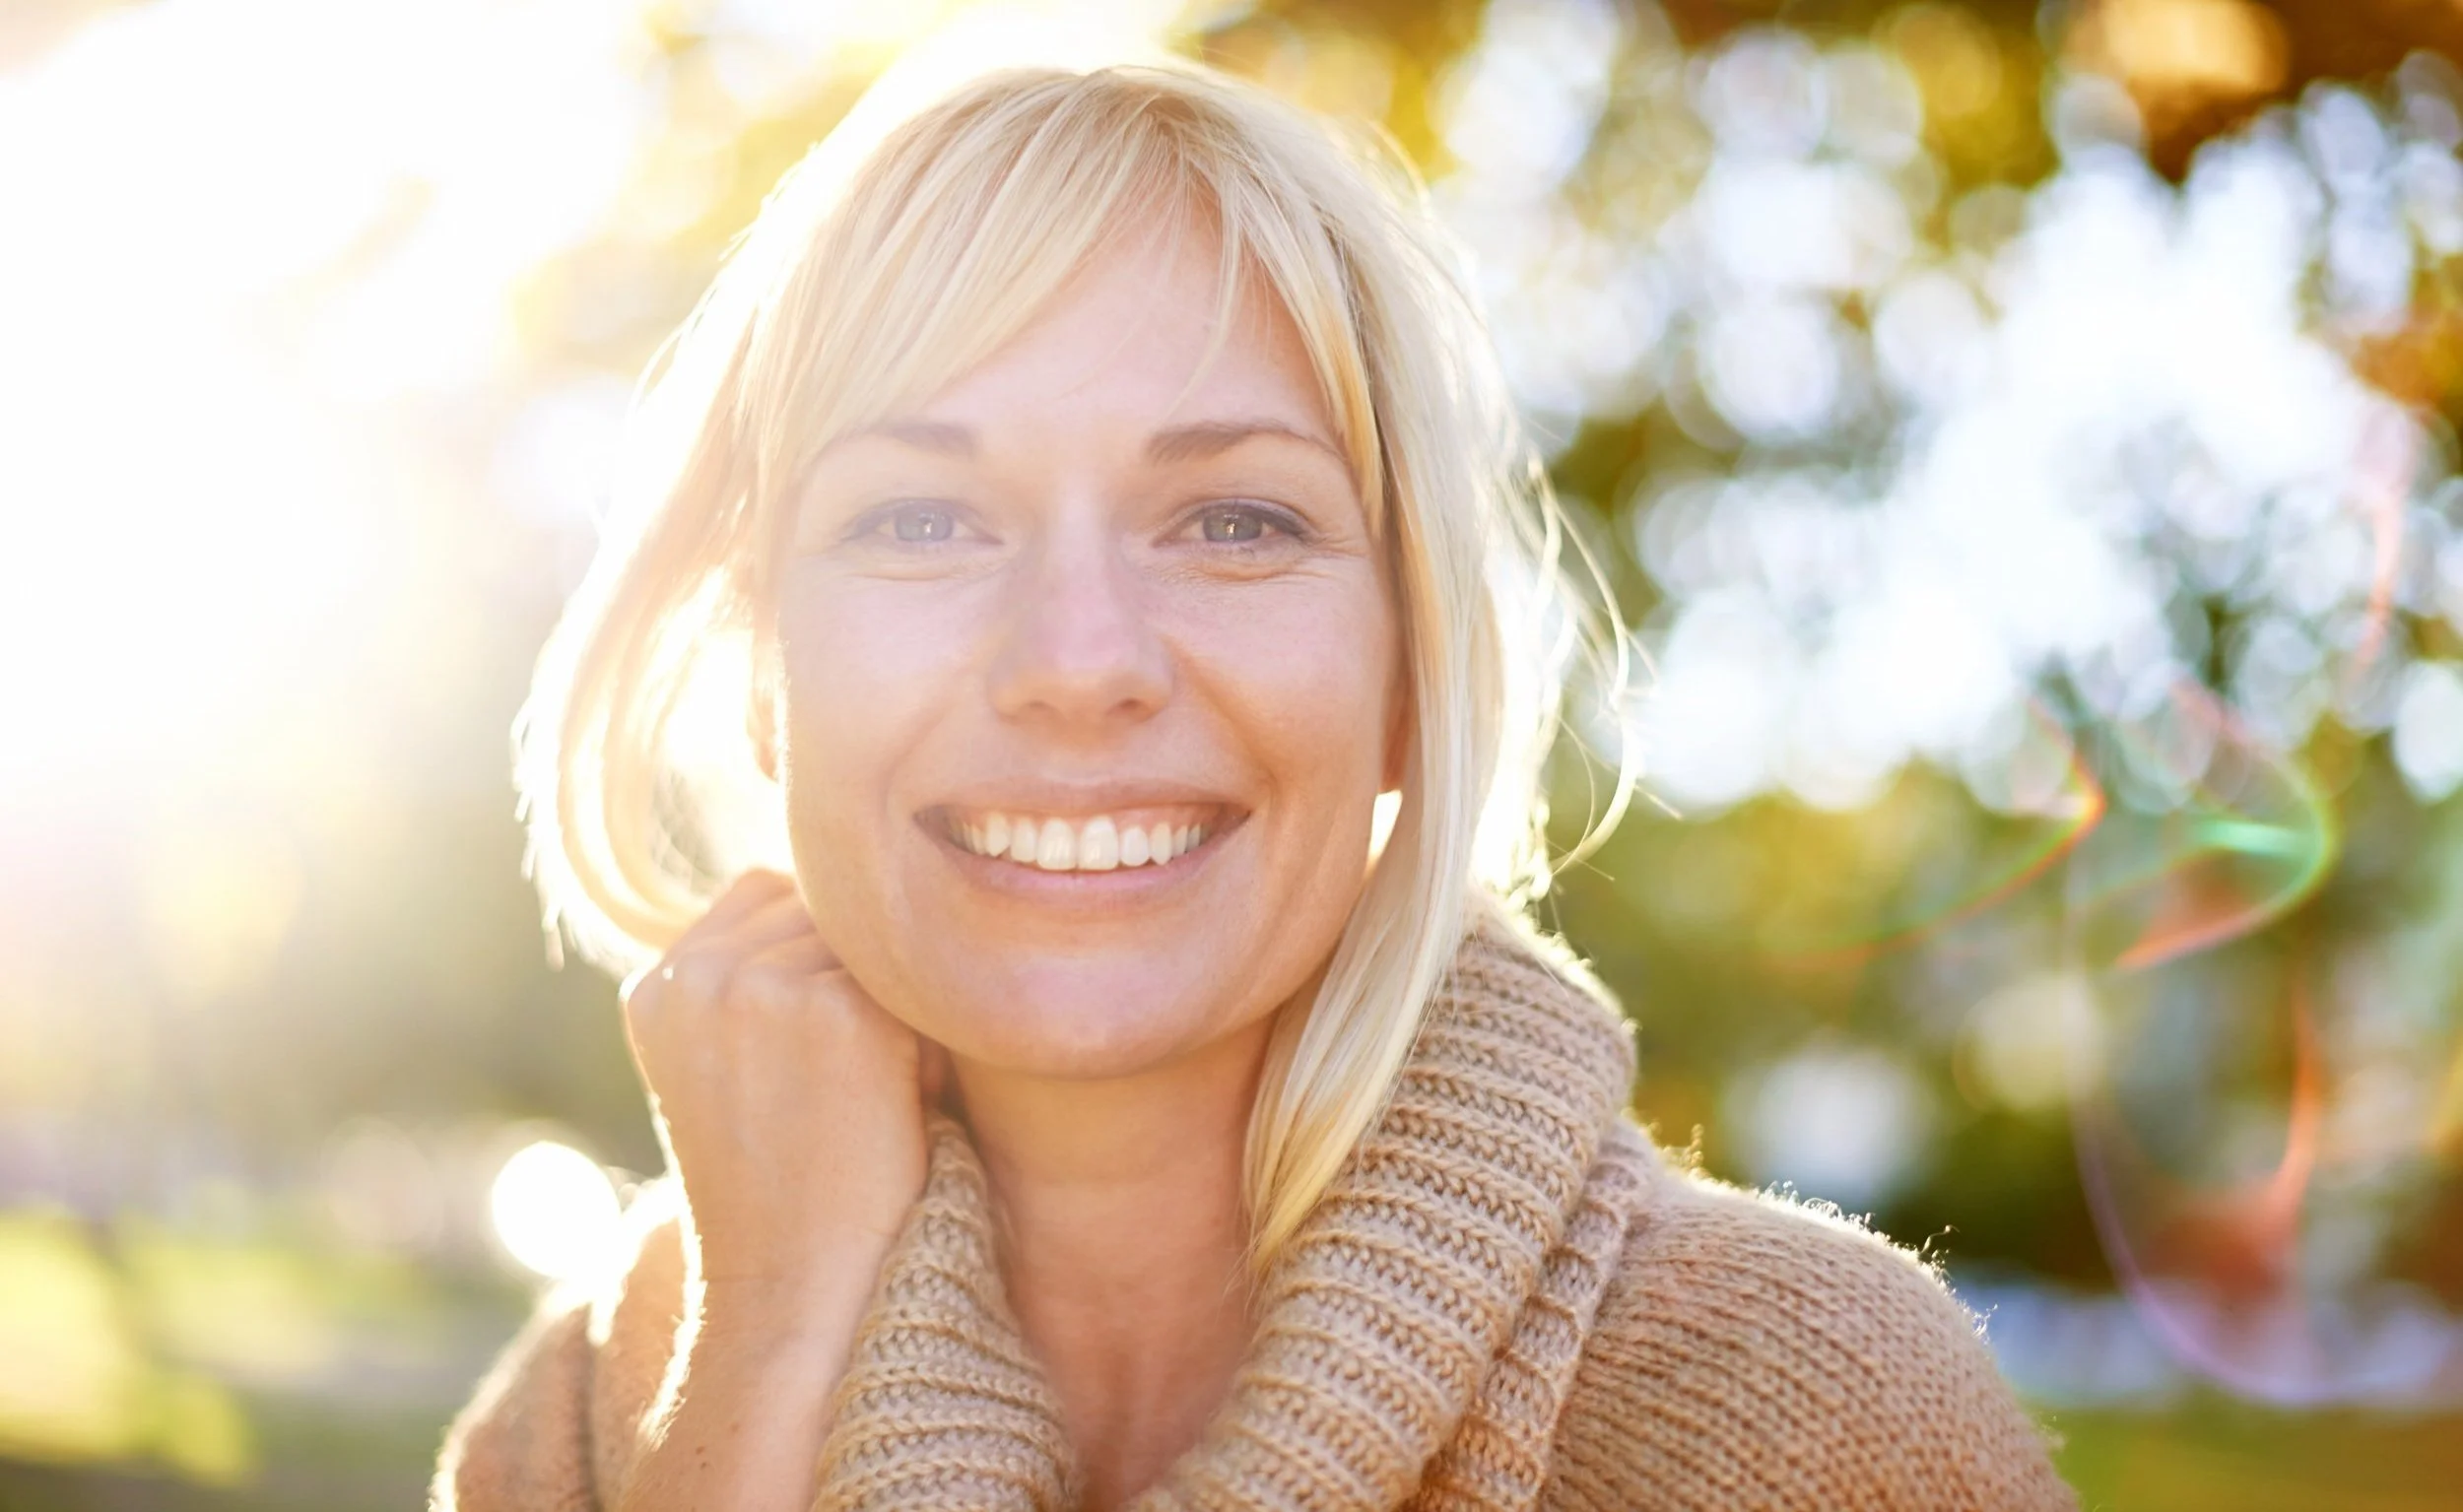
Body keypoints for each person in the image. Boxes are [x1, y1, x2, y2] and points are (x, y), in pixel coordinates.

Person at [433, 55, 2076, 1512]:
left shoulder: (1800, 1420)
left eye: (1234, 521)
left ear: (1408, 679)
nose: (1079, 659)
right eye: (922, 522)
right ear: (766, 672)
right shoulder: (592, 1401)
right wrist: (770, 1344)